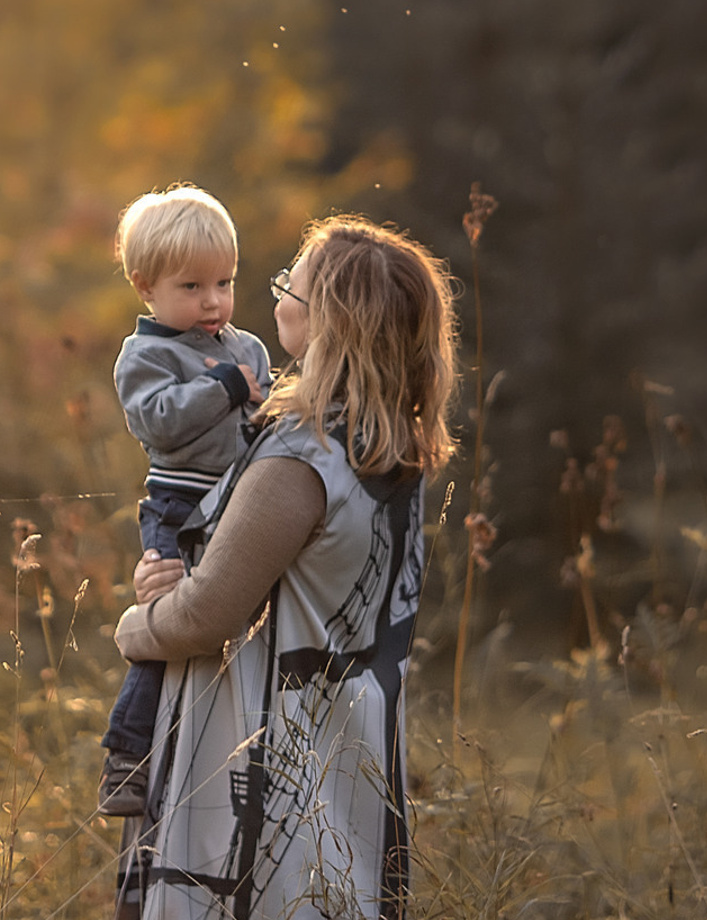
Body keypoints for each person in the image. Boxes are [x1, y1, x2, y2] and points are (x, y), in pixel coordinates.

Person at [111, 215, 458, 920]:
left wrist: (136, 624)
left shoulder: (301, 458)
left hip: (259, 765)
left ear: (327, 316)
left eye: (287, 287)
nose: (275, 301)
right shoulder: (389, 446)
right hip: (349, 750)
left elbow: (206, 616)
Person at [100, 186, 274, 817]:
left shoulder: (246, 347)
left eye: (223, 283)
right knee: (169, 627)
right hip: (178, 507)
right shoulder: (145, 356)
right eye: (192, 287)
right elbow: (161, 422)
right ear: (147, 287)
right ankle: (127, 753)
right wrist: (224, 387)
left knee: (236, 628)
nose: (213, 302)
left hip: (239, 504)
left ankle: (233, 754)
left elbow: (268, 417)